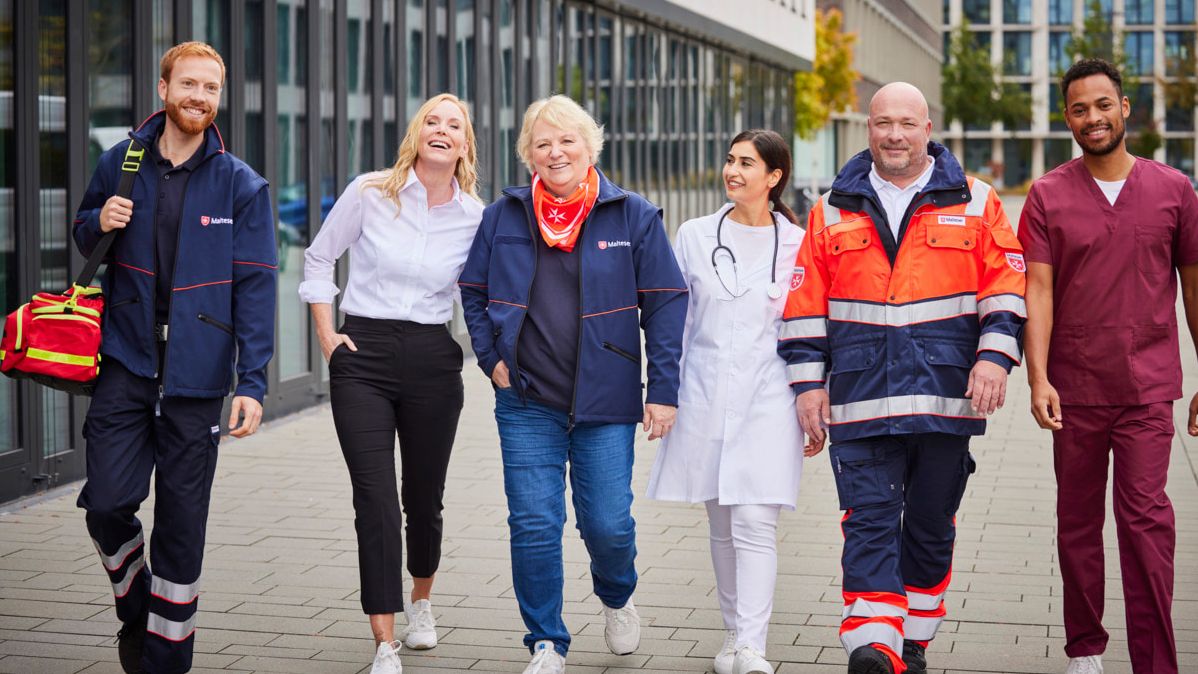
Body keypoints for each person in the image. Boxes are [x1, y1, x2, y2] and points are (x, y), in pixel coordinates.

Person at [777, 82, 1026, 674]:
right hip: (861, 402)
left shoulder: (976, 200)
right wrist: (809, 385)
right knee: (868, 521)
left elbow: (1006, 287)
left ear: (928, 128)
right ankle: (874, 643)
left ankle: (911, 638)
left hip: (945, 397)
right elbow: (805, 304)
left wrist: (994, 357)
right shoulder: (831, 208)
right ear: (868, 127)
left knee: (930, 524)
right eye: (883, 122)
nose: (895, 134)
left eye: (907, 124)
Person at [458, 95, 687, 674]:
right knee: (534, 522)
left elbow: (665, 305)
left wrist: (663, 390)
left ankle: (616, 596)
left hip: (605, 400)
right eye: (542, 143)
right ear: (528, 155)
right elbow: (474, 291)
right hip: (526, 399)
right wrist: (490, 359)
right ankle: (546, 641)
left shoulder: (632, 215)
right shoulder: (504, 216)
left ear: (590, 147)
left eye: (567, 141)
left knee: (608, 524)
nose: (555, 152)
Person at [71, 42, 276, 674]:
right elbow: (82, 233)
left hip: (197, 379)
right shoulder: (122, 162)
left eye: (210, 88)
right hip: (125, 365)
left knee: (182, 529)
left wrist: (253, 382)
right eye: (188, 84)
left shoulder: (240, 184)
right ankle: (135, 605)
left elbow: (257, 286)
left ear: (219, 97)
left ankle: (164, 661)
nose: (199, 97)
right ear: (163, 88)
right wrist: (99, 218)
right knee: (106, 503)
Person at [1019, 58, 1198, 674]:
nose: (1091, 118)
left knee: (1147, 523)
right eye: (1078, 108)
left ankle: (1155, 662)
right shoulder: (1046, 195)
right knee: (1077, 520)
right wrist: (1038, 377)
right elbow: (1036, 292)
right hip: (1074, 387)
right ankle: (1086, 648)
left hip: (1148, 388)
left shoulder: (1175, 190)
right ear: (1066, 117)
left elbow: (1195, 289)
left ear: (1125, 108)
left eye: (1102, 105)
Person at [299, 93, 484, 674]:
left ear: (464, 144)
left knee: (422, 499)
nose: (441, 130)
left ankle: (421, 602)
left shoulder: (475, 216)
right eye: (432, 120)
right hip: (365, 354)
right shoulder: (371, 192)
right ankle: (384, 639)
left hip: (433, 356)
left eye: (453, 125)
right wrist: (329, 338)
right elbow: (317, 259)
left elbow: (475, 296)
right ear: (416, 131)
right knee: (374, 498)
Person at [646, 129, 806, 674]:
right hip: (706, 391)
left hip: (772, 397)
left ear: (774, 176)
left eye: (746, 163)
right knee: (721, 524)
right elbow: (672, 321)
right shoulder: (693, 235)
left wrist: (815, 396)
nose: (732, 171)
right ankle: (733, 635)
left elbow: (812, 327)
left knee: (755, 522)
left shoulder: (800, 243)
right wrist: (661, 392)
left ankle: (752, 647)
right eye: (730, 160)